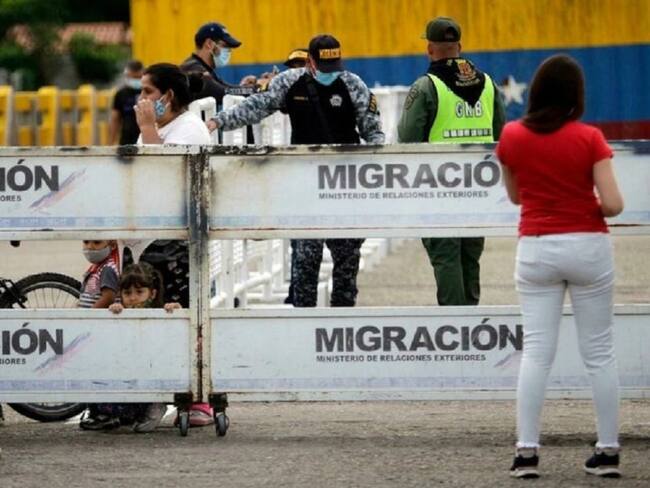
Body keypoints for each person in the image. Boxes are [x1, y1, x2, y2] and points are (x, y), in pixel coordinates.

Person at [496, 54, 624, 478]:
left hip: (536, 247)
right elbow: (613, 204)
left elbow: (516, 197)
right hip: (588, 246)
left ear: (536, 92)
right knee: (599, 353)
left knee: (536, 352)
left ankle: (526, 453)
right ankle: (608, 451)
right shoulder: (590, 138)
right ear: (576, 96)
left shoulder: (512, 136)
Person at [207, 34, 385, 307]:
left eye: (334, 66)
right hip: (305, 188)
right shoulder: (290, 82)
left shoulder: (353, 85)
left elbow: (373, 134)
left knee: (347, 261)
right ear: (310, 61)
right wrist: (218, 121)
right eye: (323, 67)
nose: (329, 73)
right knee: (305, 260)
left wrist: (373, 178)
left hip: (344, 187)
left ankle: (342, 320)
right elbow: (256, 106)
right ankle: (303, 320)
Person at [397, 17, 506, 306]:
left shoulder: (426, 86)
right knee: (470, 255)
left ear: (429, 49)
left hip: (438, 188)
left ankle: (455, 323)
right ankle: (470, 318)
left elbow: (407, 139)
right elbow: (501, 134)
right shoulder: (489, 84)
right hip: (480, 186)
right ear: (460, 46)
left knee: (445, 256)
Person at [131, 62, 215, 426]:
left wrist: (149, 130)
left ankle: (199, 399)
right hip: (150, 242)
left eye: (147, 92)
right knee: (149, 320)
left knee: (184, 317)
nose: (141, 98)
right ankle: (153, 395)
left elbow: (167, 177)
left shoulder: (190, 128)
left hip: (181, 244)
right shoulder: (153, 130)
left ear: (167, 95)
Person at [80, 263, 180, 432]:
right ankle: (111, 415)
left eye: (139, 292)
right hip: (126, 370)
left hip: (152, 371)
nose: (133, 298)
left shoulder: (160, 312)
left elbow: (178, 330)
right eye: (127, 293)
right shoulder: (121, 313)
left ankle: (154, 406)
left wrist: (175, 310)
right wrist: (114, 314)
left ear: (152, 293)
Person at [77, 240, 120, 429]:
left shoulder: (107, 269)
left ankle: (105, 414)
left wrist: (89, 314)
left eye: (96, 242)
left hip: (99, 328)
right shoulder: (95, 268)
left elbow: (108, 296)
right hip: (93, 328)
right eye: (86, 242)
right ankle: (96, 411)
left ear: (111, 245)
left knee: (99, 370)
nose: (90, 247)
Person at [180, 22, 254, 106]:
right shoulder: (194, 69)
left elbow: (225, 88)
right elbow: (222, 93)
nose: (229, 51)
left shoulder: (204, 67)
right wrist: (257, 89)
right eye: (225, 46)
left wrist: (244, 87)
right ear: (209, 44)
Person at [109, 60, 144, 145]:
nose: (136, 80)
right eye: (133, 77)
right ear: (127, 76)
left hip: (144, 139)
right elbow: (115, 119)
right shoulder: (121, 94)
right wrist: (111, 142)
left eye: (138, 77)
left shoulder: (149, 92)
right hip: (126, 140)